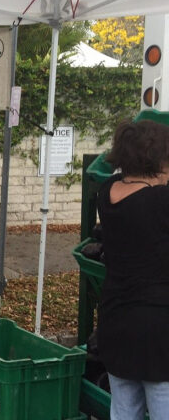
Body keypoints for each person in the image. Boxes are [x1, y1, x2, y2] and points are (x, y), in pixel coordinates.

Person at [96, 119, 169, 419]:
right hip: (158, 330)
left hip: (116, 321)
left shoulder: (107, 190)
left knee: (124, 412)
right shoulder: (160, 200)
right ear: (158, 160)